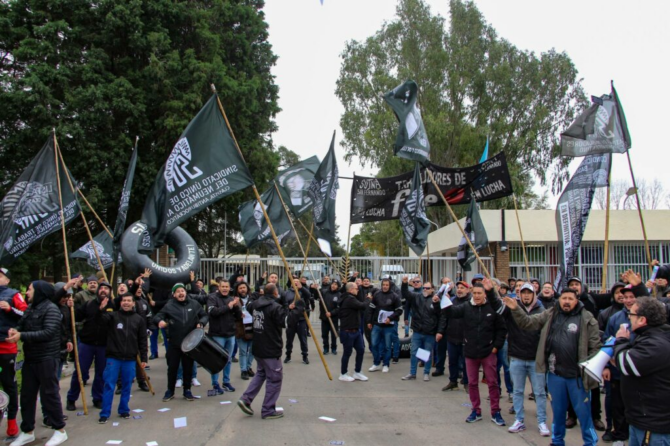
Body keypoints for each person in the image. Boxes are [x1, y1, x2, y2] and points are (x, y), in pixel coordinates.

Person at [502, 288, 601, 446]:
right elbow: (528, 323)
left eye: (570, 299)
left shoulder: (587, 318)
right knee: (558, 412)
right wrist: (516, 309)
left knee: (584, 414)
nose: (566, 301)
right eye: (564, 298)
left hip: (577, 377)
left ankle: (590, 442)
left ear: (576, 300)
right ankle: (557, 441)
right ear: (559, 300)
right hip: (555, 375)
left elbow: (595, 347)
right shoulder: (550, 314)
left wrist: (588, 370)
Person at [438, 280, 507, 426]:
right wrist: (444, 299)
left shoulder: (492, 307)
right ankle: (476, 410)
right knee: (472, 383)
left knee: (493, 383)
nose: (477, 296)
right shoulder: (466, 307)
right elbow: (451, 313)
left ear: (485, 294)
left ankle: (496, 411)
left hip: (488, 352)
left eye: (479, 293)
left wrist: (496, 347)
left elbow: (502, 329)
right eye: (474, 293)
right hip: (470, 352)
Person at [8, 281, 67, 446]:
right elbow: (21, 324)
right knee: (27, 396)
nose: (27, 293)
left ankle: (60, 430)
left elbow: (48, 332)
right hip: (30, 359)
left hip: (47, 358)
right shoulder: (30, 308)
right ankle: (27, 431)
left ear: (40, 291)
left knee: (49, 395)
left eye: (30, 290)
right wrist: (15, 330)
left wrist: (22, 336)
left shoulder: (51, 309)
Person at [488, 282, 550, 436]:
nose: (526, 296)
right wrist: (490, 291)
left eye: (529, 293)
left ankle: (542, 421)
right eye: (524, 293)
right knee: (517, 391)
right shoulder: (512, 308)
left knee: (539, 393)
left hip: (536, 359)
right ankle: (519, 420)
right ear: (520, 295)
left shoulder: (542, 311)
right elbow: (497, 307)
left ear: (534, 294)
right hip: (517, 357)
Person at [612, 297, 670, 446]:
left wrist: (621, 341)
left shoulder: (656, 344)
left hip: (653, 425)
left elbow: (626, 364)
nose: (628, 318)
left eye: (631, 314)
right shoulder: (651, 337)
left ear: (642, 320)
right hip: (641, 420)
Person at [237, 283, 288, 419]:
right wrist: (297, 309)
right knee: (275, 379)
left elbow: (249, 305)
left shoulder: (255, 304)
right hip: (270, 348)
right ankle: (268, 409)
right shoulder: (275, 307)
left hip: (259, 347)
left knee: (261, 374)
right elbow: (286, 322)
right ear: (275, 293)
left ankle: (246, 399)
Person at [96, 293, 148, 424]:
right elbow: (100, 321)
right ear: (120, 303)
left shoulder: (139, 319)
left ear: (133, 303)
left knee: (127, 385)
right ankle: (105, 413)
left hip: (130, 358)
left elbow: (142, 340)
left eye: (129, 301)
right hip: (113, 357)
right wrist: (101, 310)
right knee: (109, 385)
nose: (126, 303)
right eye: (124, 300)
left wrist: (144, 357)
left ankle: (124, 409)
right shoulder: (113, 316)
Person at [154, 283, 208, 402]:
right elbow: (157, 316)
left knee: (188, 367)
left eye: (182, 291)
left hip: (189, 343)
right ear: (174, 294)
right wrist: (159, 321)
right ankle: (170, 391)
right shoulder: (169, 305)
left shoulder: (194, 304)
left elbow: (204, 315)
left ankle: (187, 390)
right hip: (174, 343)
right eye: (178, 291)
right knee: (172, 368)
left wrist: (201, 323)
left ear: (185, 292)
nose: (181, 293)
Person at [66, 281, 114, 411]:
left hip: (103, 345)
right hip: (86, 343)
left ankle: (98, 398)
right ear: (98, 291)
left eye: (106, 288)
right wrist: (70, 307)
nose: (103, 290)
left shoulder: (113, 306)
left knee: (101, 373)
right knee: (80, 372)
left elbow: (108, 321)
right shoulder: (89, 304)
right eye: (101, 288)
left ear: (110, 292)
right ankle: (71, 398)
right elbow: (75, 316)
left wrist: (101, 310)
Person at [0, 268, 27, 438]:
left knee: (9, 385)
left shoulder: (14, 294)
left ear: (7, 280)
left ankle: (11, 425)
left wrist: (10, 309)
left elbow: (26, 315)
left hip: (6, 347)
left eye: (0, 276)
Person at [330, 282, 370, 382]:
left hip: (356, 330)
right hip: (348, 331)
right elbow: (362, 305)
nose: (358, 290)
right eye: (356, 288)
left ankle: (357, 372)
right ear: (351, 289)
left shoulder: (351, 298)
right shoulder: (349, 299)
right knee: (347, 353)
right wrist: (368, 299)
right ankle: (343, 374)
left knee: (360, 350)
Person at [401, 277, 440, 382]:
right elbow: (405, 294)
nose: (425, 290)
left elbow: (440, 315)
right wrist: (404, 283)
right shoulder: (417, 297)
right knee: (414, 352)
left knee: (427, 353)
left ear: (432, 289)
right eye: (424, 288)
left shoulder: (436, 300)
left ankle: (426, 373)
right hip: (418, 330)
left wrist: (438, 331)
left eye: (428, 288)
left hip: (429, 332)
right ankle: (412, 373)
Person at [206, 280, 240, 394]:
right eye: (223, 286)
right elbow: (213, 312)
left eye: (227, 287)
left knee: (228, 360)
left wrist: (236, 306)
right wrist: (228, 306)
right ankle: (215, 383)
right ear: (219, 288)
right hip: (217, 334)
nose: (225, 288)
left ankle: (226, 382)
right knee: (216, 360)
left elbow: (238, 316)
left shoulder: (231, 299)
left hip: (230, 334)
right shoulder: (212, 298)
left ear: (229, 288)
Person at [366, 278, 403, 373]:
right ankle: (376, 363)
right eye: (383, 285)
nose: (385, 286)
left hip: (388, 326)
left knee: (387, 346)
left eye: (387, 285)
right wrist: (369, 321)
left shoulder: (395, 296)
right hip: (377, 325)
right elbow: (371, 308)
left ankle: (386, 364)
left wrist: (390, 318)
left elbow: (399, 310)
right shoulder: (377, 294)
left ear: (390, 286)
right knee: (374, 344)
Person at [441, 280, 470, 392]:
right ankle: (453, 382)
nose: (459, 290)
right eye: (458, 288)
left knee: (466, 362)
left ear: (467, 290)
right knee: (452, 361)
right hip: (452, 336)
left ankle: (466, 382)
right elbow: (444, 316)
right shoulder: (452, 300)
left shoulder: (470, 302)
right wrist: (441, 331)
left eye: (462, 288)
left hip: (465, 338)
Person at [281, 279, 311, 364]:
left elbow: (309, 296)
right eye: (294, 282)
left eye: (297, 282)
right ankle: (288, 355)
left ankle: (305, 356)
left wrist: (302, 288)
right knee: (289, 340)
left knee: (303, 339)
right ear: (291, 283)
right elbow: (283, 305)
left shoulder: (302, 291)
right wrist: (288, 307)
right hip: (291, 320)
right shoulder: (286, 293)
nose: (295, 283)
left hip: (301, 319)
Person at [234, 282, 257, 380]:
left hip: (253, 328)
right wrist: (238, 314)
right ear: (237, 290)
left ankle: (248, 367)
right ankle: (243, 370)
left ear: (247, 289)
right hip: (241, 329)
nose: (242, 289)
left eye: (244, 287)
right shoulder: (234, 300)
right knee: (243, 351)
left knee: (252, 350)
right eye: (240, 288)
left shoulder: (253, 299)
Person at [319, 280, 341, 355]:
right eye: (332, 284)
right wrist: (314, 288)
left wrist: (331, 313)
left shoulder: (339, 295)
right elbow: (316, 295)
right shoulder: (324, 292)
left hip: (333, 318)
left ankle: (334, 348)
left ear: (338, 286)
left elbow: (339, 308)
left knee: (334, 334)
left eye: (335, 284)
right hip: (324, 318)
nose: (333, 285)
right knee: (324, 334)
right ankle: (326, 348)